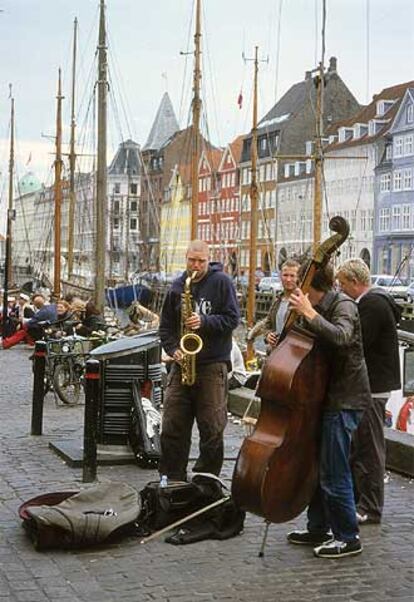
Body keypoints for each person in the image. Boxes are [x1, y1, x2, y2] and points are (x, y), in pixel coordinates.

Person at [286, 262, 371, 559]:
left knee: (335, 470)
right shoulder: (320, 306)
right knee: (320, 467)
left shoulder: (344, 305)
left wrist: (308, 313)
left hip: (344, 398)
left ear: (311, 286)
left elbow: (342, 337)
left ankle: (348, 537)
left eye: (300, 284)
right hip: (325, 396)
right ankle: (318, 527)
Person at [159, 239, 240, 481]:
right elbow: (165, 329)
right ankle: (172, 479)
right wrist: (174, 350)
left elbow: (232, 319)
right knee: (172, 425)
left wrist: (204, 321)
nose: (195, 266)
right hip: (181, 364)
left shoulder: (221, 282)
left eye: (201, 261)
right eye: (191, 261)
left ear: (208, 259)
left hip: (212, 365)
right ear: (186, 258)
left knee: (212, 428)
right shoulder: (177, 286)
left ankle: (206, 482)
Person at [336, 258, 401, 525]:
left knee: (369, 448)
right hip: (372, 385)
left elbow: (356, 343)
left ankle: (371, 507)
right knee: (361, 445)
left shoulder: (372, 305)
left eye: (342, 284)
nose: (340, 289)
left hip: (372, 387)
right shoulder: (373, 302)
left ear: (354, 282)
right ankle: (360, 500)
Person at [247, 259, 300, 348]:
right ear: (280, 276)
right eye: (285, 275)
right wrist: (268, 335)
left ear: (298, 277)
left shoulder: (301, 302)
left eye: (292, 276)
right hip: (277, 352)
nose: (288, 279)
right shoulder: (277, 301)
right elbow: (268, 323)